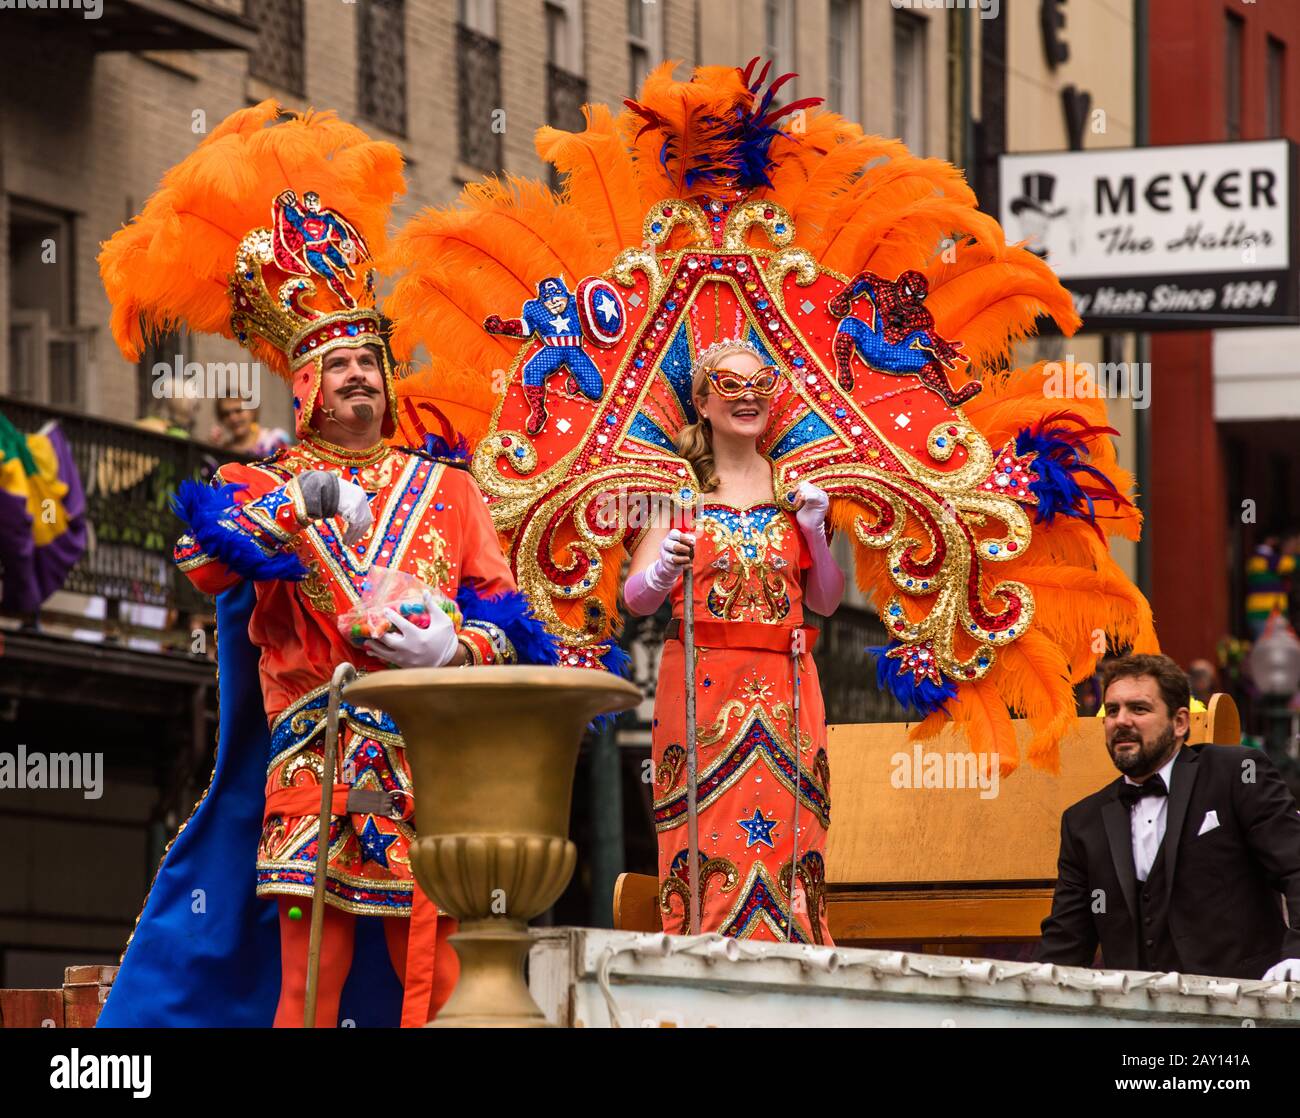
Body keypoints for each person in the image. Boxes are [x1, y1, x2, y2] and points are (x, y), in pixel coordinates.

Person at [96, 101, 556, 1028]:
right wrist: (298, 506)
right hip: (316, 752)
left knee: (433, 965)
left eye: (369, 363)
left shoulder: (449, 489)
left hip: (430, 753)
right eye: (337, 363)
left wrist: (450, 650)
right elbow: (202, 557)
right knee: (310, 972)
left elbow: (508, 612)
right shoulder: (260, 481)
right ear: (305, 387)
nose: (358, 377)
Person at [623, 339, 844, 944]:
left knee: (795, 837)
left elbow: (824, 600)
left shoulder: (798, 491)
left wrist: (815, 535)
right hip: (699, 689)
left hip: (789, 688)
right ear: (700, 400)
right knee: (704, 834)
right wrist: (663, 573)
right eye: (729, 384)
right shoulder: (674, 490)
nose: (748, 396)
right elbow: (636, 599)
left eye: (760, 383)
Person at [1037, 652, 1300, 980]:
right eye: (1113, 710)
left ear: (1180, 723)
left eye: (1139, 708)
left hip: (1243, 1005)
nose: (1121, 721)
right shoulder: (1082, 822)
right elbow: (1066, 942)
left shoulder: (1235, 774)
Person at [211, 397, 291, 457]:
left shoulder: (274, 439)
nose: (233, 418)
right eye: (226, 414)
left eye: (239, 411)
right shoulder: (223, 450)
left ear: (252, 411)